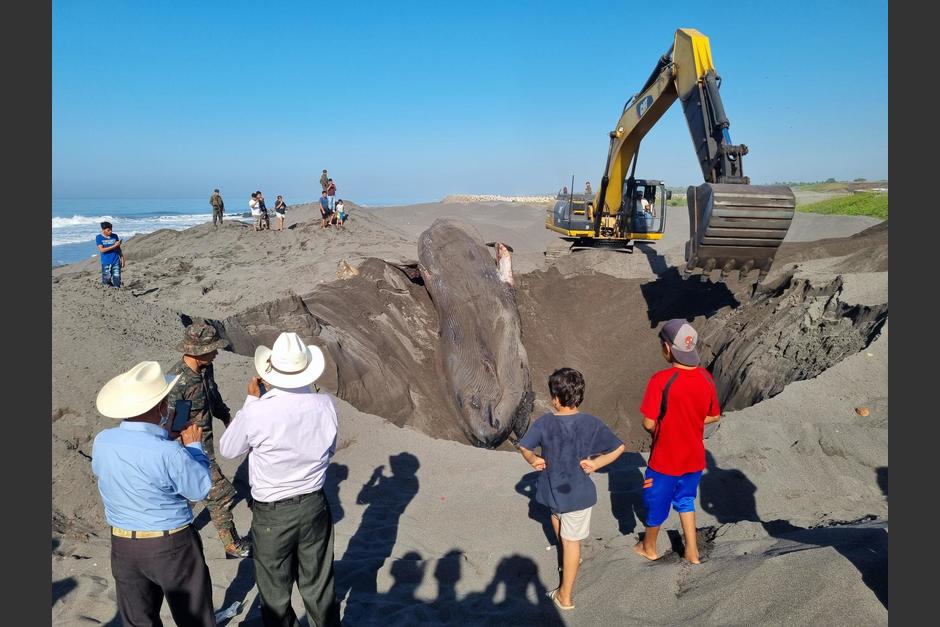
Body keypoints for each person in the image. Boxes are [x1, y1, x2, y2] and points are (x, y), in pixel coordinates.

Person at [219, 332, 341, 627]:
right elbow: (331, 449)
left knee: (274, 592)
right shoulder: (325, 405)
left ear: (269, 373)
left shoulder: (258, 412)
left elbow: (228, 448)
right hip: (314, 504)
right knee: (319, 587)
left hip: (272, 512)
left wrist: (250, 402)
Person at [91, 361, 216, 626]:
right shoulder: (169, 452)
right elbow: (200, 487)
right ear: (161, 407)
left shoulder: (103, 440)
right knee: (194, 619)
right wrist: (193, 448)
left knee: (138, 621)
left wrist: (161, 437)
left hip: (123, 545)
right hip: (171, 545)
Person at [516, 367, 625, 611]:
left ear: (555, 398)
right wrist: (596, 463)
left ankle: (565, 596)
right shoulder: (590, 423)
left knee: (563, 530)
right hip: (578, 494)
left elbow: (524, 447)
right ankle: (570, 557)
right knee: (567, 534)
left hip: (554, 490)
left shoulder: (544, 423)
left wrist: (533, 460)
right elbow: (618, 448)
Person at [632, 319, 721, 564]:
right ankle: (692, 551)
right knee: (685, 500)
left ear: (668, 348)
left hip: (665, 459)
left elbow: (648, 423)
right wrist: (691, 420)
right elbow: (714, 415)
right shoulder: (705, 378)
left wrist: (665, 425)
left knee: (655, 504)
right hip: (693, 457)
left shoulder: (661, 380)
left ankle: (649, 546)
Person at [166, 320, 252, 560]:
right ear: (199, 352)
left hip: (205, 446)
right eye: (212, 349)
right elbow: (174, 425)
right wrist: (189, 452)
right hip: (189, 449)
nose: (216, 353)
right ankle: (232, 546)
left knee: (191, 495)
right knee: (220, 494)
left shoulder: (205, 369)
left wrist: (226, 417)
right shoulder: (178, 383)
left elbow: (212, 394)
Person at [96, 221, 125, 288]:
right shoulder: (99, 237)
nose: (110, 231)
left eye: (111, 230)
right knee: (106, 280)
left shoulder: (115, 236)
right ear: (103, 230)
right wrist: (114, 246)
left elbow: (118, 248)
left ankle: (117, 292)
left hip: (116, 261)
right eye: (108, 230)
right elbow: (102, 250)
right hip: (106, 262)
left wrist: (122, 258)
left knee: (117, 278)